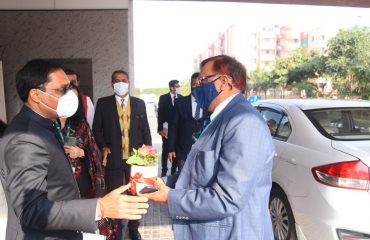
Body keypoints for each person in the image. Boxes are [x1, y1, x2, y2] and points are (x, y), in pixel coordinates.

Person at [0, 60, 149, 240]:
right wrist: (99, 208)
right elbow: (31, 209)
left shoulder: (45, 125)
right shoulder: (25, 138)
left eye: (70, 87)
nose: (69, 94)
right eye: (61, 90)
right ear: (36, 95)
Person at [143, 55, 275, 240]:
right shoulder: (219, 118)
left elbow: (227, 198)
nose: (197, 86)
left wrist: (170, 197)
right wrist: (163, 182)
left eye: (203, 80)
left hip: (233, 233)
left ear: (223, 82)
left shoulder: (244, 122)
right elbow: (201, 172)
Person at [93, 70, 152, 240]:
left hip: (135, 159)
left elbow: (145, 130)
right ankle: (116, 231)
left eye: (123, 80)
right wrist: (104, 146)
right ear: (111, 83)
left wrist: (148, 154)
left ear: (129, 82)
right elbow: (97, 128)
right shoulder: (103, 104)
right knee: (115, 194)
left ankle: (134, 230)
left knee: (136, 195)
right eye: (117, 80)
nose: (120, 83)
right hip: (114, 159)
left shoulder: (139, 103)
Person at [167, 72, 208, 172]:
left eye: (200, 85)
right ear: (191, 86)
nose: (197, 87)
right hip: (183, 150)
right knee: (183, 179)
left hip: (204, 151)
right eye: (194, 84)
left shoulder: (209, 104)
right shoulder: (180, 103)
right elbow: (173, 126)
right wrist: (170, 147)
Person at [157, 80, 182, 176]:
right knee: (166, 148)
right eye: (177, 86)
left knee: (176, 148)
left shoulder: (182, 98)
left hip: (177, 129)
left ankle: (173, 169)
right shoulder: (163, 98)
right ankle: (164, 169)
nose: (179, 87)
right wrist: (160, 129)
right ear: (171, 87)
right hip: (166, 128)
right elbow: (160, 114)